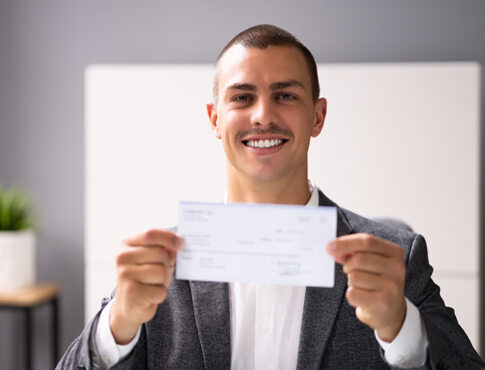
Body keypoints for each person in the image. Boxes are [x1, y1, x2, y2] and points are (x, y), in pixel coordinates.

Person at [57, 24, 484, 369]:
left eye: (285, 95)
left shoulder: (398, 257)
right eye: (242, 97)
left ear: (318, 116)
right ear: (214, 118)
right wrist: (116, 329)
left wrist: (401, 327)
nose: (263, 115)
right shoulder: (159, 265)